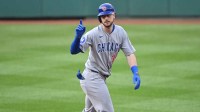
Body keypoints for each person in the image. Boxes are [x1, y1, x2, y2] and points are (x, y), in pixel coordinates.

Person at [70, 3, 141, 112]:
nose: (106, 18)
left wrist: (135, 72)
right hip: (92, 77)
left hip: (100, 78)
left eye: (108, 15)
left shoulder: (120, 32)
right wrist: (77, 37)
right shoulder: (93, 34)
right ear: (100, 18)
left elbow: (129, 53)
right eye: (103, 16)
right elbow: (74, 51)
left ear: (114, 15)